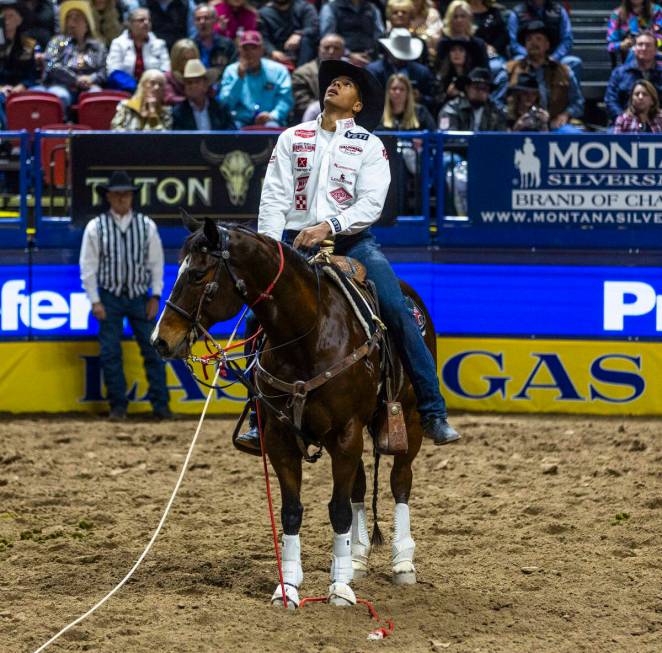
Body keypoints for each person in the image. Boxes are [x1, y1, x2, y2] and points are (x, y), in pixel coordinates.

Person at [237, 59, 460, 450]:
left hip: (353, 242)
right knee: (258, 317)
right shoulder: (292, 137)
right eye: (333, 81)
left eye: (345, 84)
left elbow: (371, 203)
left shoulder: (370, 146)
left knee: (395, 308)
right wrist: (271, 250)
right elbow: (273, 196)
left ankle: (431, 409)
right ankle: (257, 415)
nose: (335, 86)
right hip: (293, 240)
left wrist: (330, 227)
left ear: (358, 105)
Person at [79, 170, 171, 421]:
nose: (121, 199)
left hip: (141, 297)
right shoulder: (96, 227)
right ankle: (118, 407)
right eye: (117, 194)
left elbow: (156, 264)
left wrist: (155, 296)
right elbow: (88, 266)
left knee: (153, 351)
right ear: (108, 196)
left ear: (132, 197)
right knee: (110, 353)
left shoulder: (146, 225)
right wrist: (95, 300)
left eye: (126, 195)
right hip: (109, 296)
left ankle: (161, 406)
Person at [503, 20, 584, 132]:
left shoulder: (564, 71)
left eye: (538, 39)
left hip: (553, 124)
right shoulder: (510, 70)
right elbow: (496, 102)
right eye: (529, 39)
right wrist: (511, 120)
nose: (533, 43)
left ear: (547, 44)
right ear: (525, 45)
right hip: (518, 125)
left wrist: (565, 114)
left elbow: (578, 103)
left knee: (572, 134)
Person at [36, 0, 107, 109]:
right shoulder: (57, 42)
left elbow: (103, 71)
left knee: (96, 96)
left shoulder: (97, 46)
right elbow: (49, 64)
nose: (71, 23)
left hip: (89, 86)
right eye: (69, 18)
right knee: (60, 96)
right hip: (60, 85)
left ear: (87, 24)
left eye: (77, 18)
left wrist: (91, 79)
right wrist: (75, 79)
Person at [218, 29, 293, 127]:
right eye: (245, 48)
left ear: (262, 49)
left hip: (269, 120)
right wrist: (239, 79)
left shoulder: (278, 70)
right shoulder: (231, 71)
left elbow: (285, 99)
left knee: (272, 127)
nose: (249, 52)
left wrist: (273, 115)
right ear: (239, 50)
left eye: (254, 47)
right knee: (232, 130)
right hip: (240, 121)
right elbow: (226, 104)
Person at [508, 0, 582, 82]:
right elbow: (513, 43)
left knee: (574, 62)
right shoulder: (517, 13)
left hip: (554, 56)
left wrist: (554, 57)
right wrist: (531, 56)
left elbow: (567, 40)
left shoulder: (559, 11)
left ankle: (570, 94)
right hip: (526, 56)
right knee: (517, 61)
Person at [367, 28, 435, 108]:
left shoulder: (422, 72)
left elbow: (433, 100)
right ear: (388, 51)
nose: (401, 59)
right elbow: (369, 99)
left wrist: (420, 98)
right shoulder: (374, 71)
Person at [106, 8, 170, 92]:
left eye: (149, 20)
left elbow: (166, 71)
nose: (146, 23)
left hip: (154, 90)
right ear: (130, 23)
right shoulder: (118, 43)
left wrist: (152, 85)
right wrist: (135, 87)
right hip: (126, 90)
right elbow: (113, 71)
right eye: (141, 20)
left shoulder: (159, 44)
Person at [605, 30, 662, 121]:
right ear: (634, 49)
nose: (644, 48)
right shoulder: (619, 73)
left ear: (655, 50)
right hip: (624, 126)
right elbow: (611, 101)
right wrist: (625, 120)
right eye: (640, 44)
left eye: (648, 45)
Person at [0, 0, 37, 128]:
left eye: (10, 16)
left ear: (20, 20)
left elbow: (31, 74)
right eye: (3, 16)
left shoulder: (28, 45)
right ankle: (8, 140)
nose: (6, 20)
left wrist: (22, 86)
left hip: (21, 89)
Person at [291, 32, 345, 120]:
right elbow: (302, 103)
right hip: (314, 119)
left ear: (343, 52)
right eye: (327, 48)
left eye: (336, 48)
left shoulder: (353, 74)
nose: (331, 52)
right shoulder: (302, 73)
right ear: (319, 49)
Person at [172, 58, 234, 129]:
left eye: (197, 82)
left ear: (205, 85)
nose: (193, 86)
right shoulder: (179, 113)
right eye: (189, 83)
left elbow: (231, 134)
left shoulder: (220, 109)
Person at [438, 66, 506, 130]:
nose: (480, 91)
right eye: (477, 87)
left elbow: (501, 138)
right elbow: (448, 139)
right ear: (467, 88)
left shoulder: (495, 112)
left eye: (485, 89)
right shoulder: (451, 109)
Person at [319, 0, 385, 66]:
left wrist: (371, 53)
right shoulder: (330, 8)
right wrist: (349, 55)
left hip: (369, 57)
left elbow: (379, 35)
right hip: (342, 57)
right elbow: (328, 39)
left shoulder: (372, 8)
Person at [258, 0, 319, 68]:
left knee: (307, 39)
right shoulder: (264, 13)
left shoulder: (304, 7)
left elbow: (314, 27)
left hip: (301, 54)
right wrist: (272, 51)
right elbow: (263, 37)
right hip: (277, 55)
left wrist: (299, 34)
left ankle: (301, 74)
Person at [438, 0, 490, 69]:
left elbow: (486, 72)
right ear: (449, 19)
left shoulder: (478, 45)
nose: (459, 20)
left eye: (463, 16)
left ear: (469, 18)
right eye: (455, 16)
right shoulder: (443, 44)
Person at [193, 3, 236, 78]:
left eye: (206, 18)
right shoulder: (191, 46)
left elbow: (233, 72)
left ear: (215, 20)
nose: (202, 22)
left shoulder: (227, 45)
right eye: (198, 19)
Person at [436, 38, 482, 107]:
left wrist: (462, 94)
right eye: (453, 50)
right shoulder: (441, 76)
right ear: (449, 54)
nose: (457, 53)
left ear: (466, 54)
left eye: (461, 50)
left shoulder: (474, 76)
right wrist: (447, 95)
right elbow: (435, 102)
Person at [468, 0, 509, 70]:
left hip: (494, 55)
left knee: (497, 67)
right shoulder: (463, 13)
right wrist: (483, 47)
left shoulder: (494, 11)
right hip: (471, 55)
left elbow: (503, 35)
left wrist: (494, 48)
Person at [164, 38, 200, 105]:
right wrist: (192, 100)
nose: (189, 63)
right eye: (184, 59)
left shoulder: (200, 76)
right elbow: (169, 98)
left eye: (192, 59)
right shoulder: (168, 77)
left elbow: (210, 95)